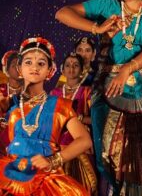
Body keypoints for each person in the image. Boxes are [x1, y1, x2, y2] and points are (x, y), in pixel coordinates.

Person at [55, 0, 142, 195]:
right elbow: (63, 13)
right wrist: (97, 28)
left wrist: (127, 69)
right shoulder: (107, 6)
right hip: (107, 89)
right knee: (107, 156)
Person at [0, 37, 92, 195]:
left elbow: (85, 140)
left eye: (41, 63)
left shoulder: (60, 105)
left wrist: (53, 161)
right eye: (28, 62)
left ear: (50, 70)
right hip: (11, 173)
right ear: (19, 69)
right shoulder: (10, 104)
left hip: (46, 178)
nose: (34, 67)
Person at [50, 52, 97, 195]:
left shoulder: (87, 92)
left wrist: (79, 119)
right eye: (68, 65)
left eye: (76, 65)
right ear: (62, 70)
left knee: (83, 188)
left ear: (82, 70)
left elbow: (97, 119)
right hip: (58, 147)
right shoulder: (54, 93)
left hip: (81, 147)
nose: (71, 69)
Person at [0, 51, 23, 156]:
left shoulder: (29, 93)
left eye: (20, 65)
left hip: (20, 143)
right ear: (7, 69)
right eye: (14, 65)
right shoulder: (1, 89)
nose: (17, 68)